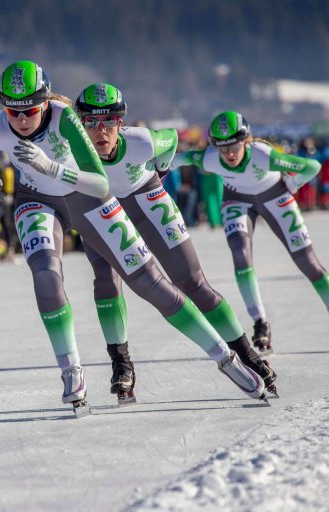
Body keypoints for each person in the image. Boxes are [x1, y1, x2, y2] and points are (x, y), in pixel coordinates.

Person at [0, 61, 267, 413]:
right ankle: (72, 370)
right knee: (46, 275)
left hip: (86, 196)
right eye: (12, 110)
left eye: (29, 109)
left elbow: (100, 183)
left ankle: (226, 358)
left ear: (44, 102)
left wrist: (50, 167)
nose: (21, 119)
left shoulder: (65, 119)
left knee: (150, 282)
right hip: (37, 202)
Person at [74, 84, 276, 401]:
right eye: (91, 122)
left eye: (109, 121)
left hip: (146, 201)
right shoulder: (72, 152)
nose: (101, 131)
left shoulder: (141, 142)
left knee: (193, 282)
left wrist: (163, 168)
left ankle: (247, 355)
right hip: (102, 208)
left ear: (121, 124)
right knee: (105, 281)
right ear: (80, 125)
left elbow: (170, 140)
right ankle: (121, 363)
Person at [173, 111, 329, 352]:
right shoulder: (210, 158)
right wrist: (161, 164)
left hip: (276, 197)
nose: (229, 153)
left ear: (246, 141)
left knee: (308, 263)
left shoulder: (263, 156)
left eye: (234, 145)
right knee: (241, 256)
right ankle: (260, 322)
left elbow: (312, 166)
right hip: (237, 200)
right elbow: (182, 159)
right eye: (222, 148)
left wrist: (293, 185)